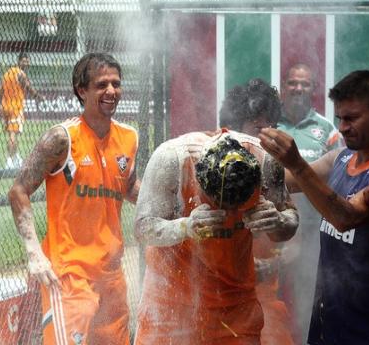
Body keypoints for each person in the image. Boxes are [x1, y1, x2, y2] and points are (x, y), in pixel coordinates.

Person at [134, 78, 299, 345]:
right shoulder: (173, 158)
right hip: (171, 306)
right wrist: (185, 226)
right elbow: (142, 227)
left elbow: (290, 222)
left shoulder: (265, 160)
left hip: (236, 306)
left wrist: (277, 220)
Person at [259, 70, 369, 344]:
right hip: (328, 324)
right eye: (340, 118)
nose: (342, 127)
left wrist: (296, 162)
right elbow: (281, 181)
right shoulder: (340, 158)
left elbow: (345, 216)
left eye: (351, 118)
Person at [8, 53, 140, 345]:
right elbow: (18, 191)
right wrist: (34, 254)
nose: (111, 91)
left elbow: (129, 187)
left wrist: (174, 212)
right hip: (69, 275)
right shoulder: (61, 138)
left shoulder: (129, 137)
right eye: (101, 84)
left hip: (111, 275)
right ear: (82, 91)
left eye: (116, 84)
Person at [221, 78, 295, 345]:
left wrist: (275, 261)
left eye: (272, 127)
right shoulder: (210, 165)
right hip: (217, 299)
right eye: (259, 129)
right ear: (230, 130)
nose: (270, 135)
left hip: (263, 297)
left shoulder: (270, 169)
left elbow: (290, 229)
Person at [276, 63, 341, 341]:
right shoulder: (269, 124)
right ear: (284, 87)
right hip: (273, 232)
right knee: (269, 298)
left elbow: (336, 178)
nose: (298, 89)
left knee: (307, 301)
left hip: (312, 233)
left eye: (304, 84)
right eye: (293, 83)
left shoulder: (327, 130)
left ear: (314, 90)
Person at [0, 52, 44, 169]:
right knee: (13, 134)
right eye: (24, 60)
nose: (27, 63)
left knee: (12, 133)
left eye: (28, 61)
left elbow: (0, 89)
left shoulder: (7, 73)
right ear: (19, 61)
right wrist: (38, 97)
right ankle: (9, 161)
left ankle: (15, 157)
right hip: (15, 108)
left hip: (5, 106)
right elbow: (28, 87)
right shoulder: (20, 74)